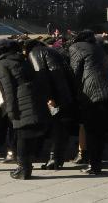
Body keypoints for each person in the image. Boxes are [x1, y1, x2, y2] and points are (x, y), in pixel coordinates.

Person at [0, 39, 50, 180]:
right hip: (33, 98)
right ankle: (26, 167)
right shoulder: (22, 59)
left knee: (22, 136)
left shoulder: (2, 63)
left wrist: (11, 110)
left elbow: (8, 89)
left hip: (21, 101)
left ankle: (23, 169)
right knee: (28, 136)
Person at [69, 31, 108, 175]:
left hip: (91, 93)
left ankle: (93, 165)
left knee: (91, 131)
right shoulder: (98, 48)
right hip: (107, 90)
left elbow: (75, 71)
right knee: (99, 131)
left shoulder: (76, 47)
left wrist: (73, 92)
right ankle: (96, 163)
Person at [27, 38, 76, 170]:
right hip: (65, 93)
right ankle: (57, 159)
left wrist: (49, 97)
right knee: (60, 128)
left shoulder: (35, 53)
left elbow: (42, 76)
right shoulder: (52, 52)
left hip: (55, 95)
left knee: (55, 128)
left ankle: (53, 159)